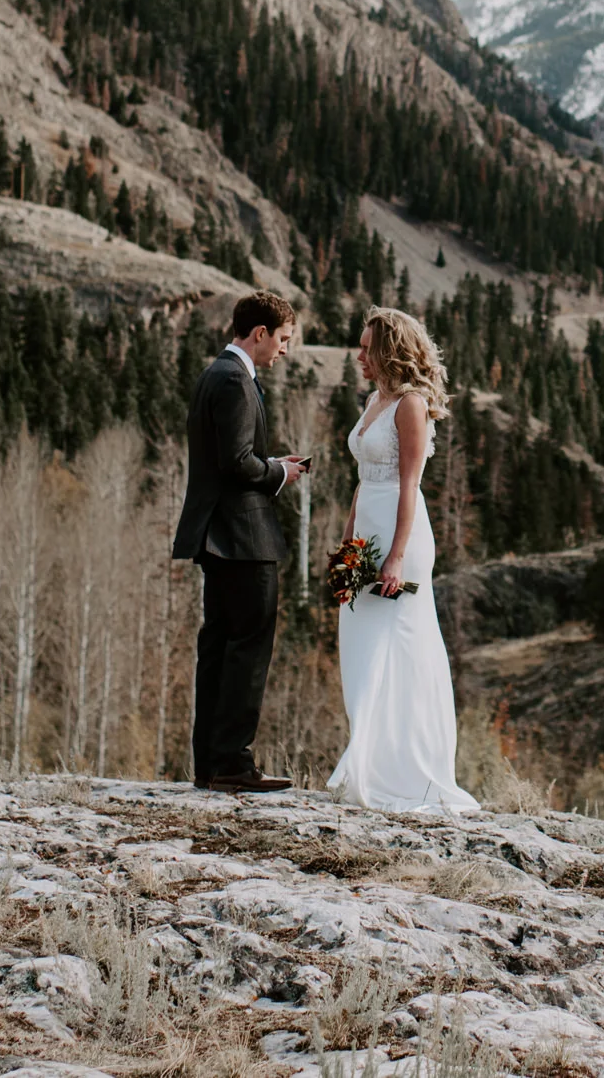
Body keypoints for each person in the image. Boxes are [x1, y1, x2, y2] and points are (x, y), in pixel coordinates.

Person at [326, 306, 479, 815]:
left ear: (390, 350)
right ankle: (369, 763)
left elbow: (407, 485)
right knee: (361, 646)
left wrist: (394, 558)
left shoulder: (410, 405)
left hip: (401, 538)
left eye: (367, 347)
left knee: (403, 650)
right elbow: (364, 479)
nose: (359, 355)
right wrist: (348, 545)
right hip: (367, 531)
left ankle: (411, 773)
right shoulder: (375, 399)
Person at [171, 291, 310, 792]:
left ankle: (211, 762)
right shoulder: (233, 380)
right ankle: (232, 761)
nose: (285, 350)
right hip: (241, 537)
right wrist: (280, 471)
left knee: (219, 648)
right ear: (260, 334)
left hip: (220, 536)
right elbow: (235, 461)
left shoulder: (216, 375)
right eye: (284, 339)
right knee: (248, 648)